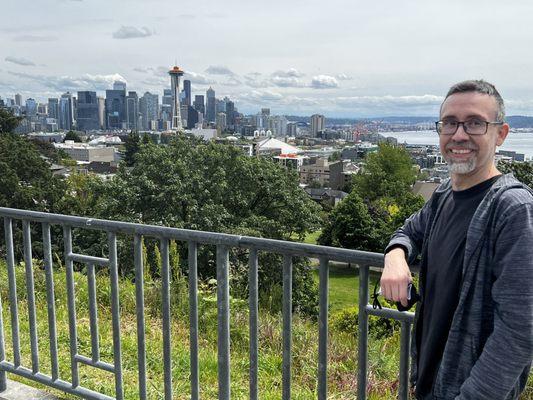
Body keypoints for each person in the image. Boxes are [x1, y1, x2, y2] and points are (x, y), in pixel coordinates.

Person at [380, 80, 533, 399]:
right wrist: (395, 257)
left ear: (501, 134)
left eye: (475, 123)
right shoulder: (444, 195)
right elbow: (408, 232)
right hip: (428, 382)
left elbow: (520, 328)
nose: (459, 134)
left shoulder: (513, 209)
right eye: (449, 123)